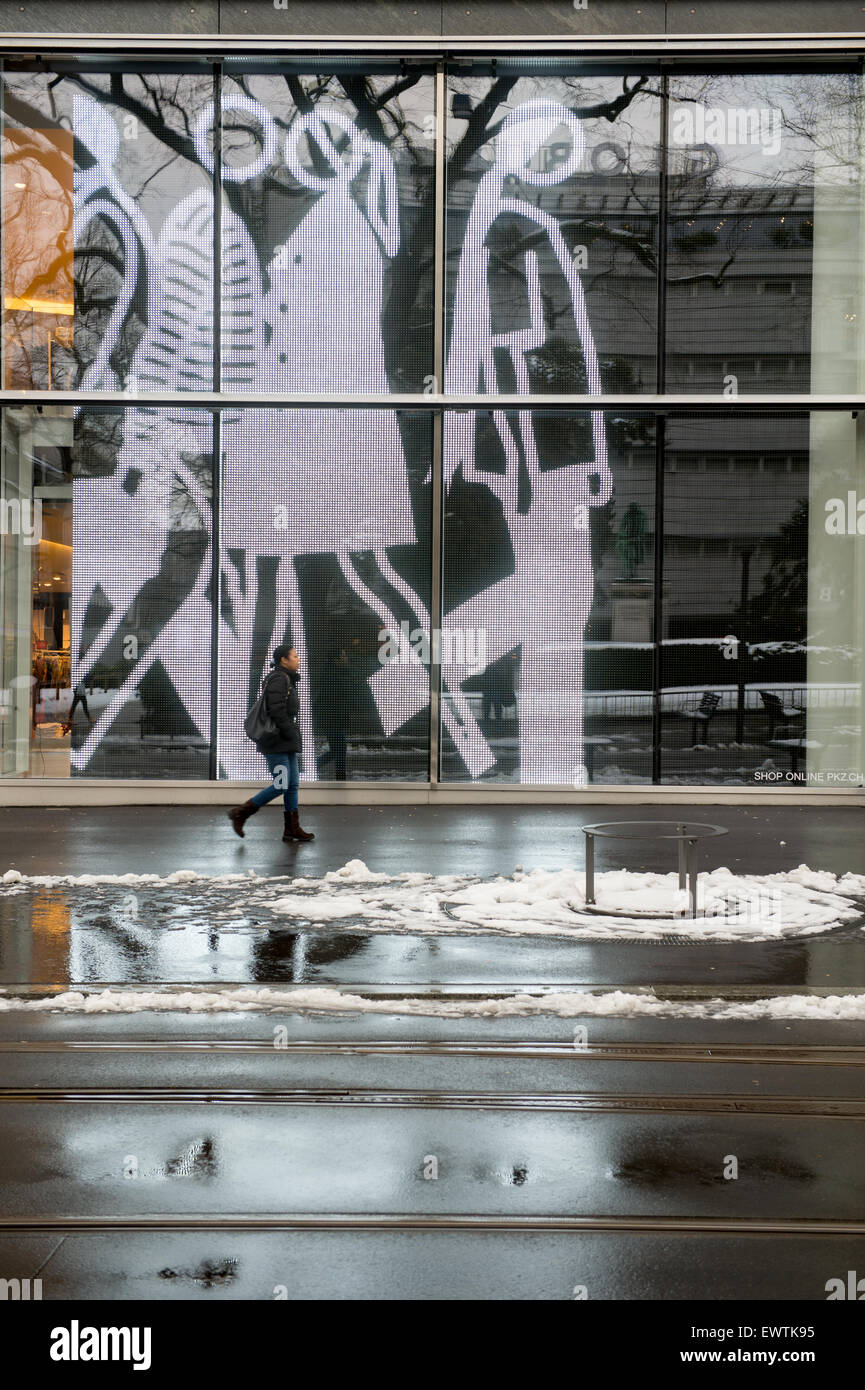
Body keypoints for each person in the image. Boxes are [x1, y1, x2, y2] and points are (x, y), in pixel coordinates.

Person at [228, 644, 314, 843]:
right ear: (284, 660)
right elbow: (276, 710)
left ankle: (292, 828)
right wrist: (290, 731)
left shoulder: (287, 679)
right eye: (295, 656)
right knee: (281, 784)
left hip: (285, 739)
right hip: (276, 739)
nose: (298, 659)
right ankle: (241, 813)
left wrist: (291, 734)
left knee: (291, 785)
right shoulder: (278, 678)